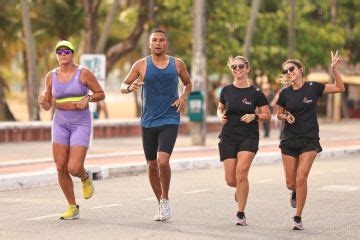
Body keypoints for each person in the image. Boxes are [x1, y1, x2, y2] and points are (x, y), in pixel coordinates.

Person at [120, 29, 192, 221]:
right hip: (148, 120)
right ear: (149, 44)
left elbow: (188, 84)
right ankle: (159, 202)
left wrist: (183, 97)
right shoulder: (141, 65)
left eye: (161, 40)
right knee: (151, 164)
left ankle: (166, 199)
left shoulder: (177, 64)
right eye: (154, 40)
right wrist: (130, 87)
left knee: (162, 161)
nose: (158, 43)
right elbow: (122, 85)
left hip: (170, 118)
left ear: (166, 44)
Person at [276, 51, 345, 230]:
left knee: (301, 177)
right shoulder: (285, 93)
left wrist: (334, 69)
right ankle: (294, 192)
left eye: (291, 69)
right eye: (286, 71)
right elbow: (279, 114)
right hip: (289, 139)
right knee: (291, 183)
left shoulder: (313, 87)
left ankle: (298, 217)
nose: (289, 72)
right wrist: (286, 117)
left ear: (300, 70)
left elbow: (340, 88)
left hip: (309, 139)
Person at [38, 40, 105, 220]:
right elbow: (47, 104)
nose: (63, 54)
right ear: (56, 55)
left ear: (72, 53)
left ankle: (85, 177)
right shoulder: (51, 76)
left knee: (74, 167)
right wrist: (43, 102)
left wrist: (88, 98)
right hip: (60, 121)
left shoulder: (83, 73)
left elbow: (101, 93)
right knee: (60, 167)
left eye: (66, 51)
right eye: (59, 51)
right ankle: (72, 207)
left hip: (80, 122)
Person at [217, 55, 271, 226]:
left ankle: (241, 213)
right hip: (228, 136)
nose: (237, 69)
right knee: (231, 180)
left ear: (248, 68)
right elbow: (220, 108)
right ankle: (240, 191)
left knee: (242, 173)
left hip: (249, 136)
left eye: (241, 66)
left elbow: (267, 115)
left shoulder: (256, 93)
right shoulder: (226, 90)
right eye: (234, 67)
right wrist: (220, 116)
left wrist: (254, 116)